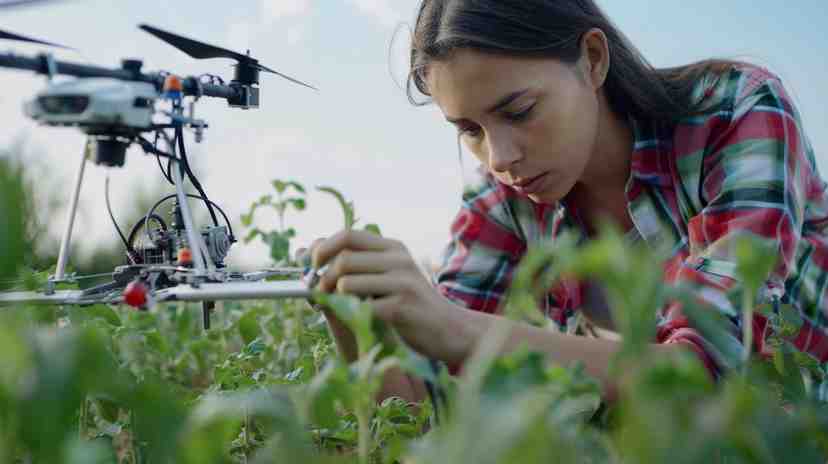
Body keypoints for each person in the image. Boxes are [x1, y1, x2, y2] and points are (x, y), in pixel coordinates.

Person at [297, 0, 828, 403]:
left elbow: (705, 370)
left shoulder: (734, 112)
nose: (499, 157)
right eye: (469, 129)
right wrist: (353, 314)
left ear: (593, 60)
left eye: (520, 110)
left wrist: (459, 329)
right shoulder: (503, 197)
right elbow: (423, 402)